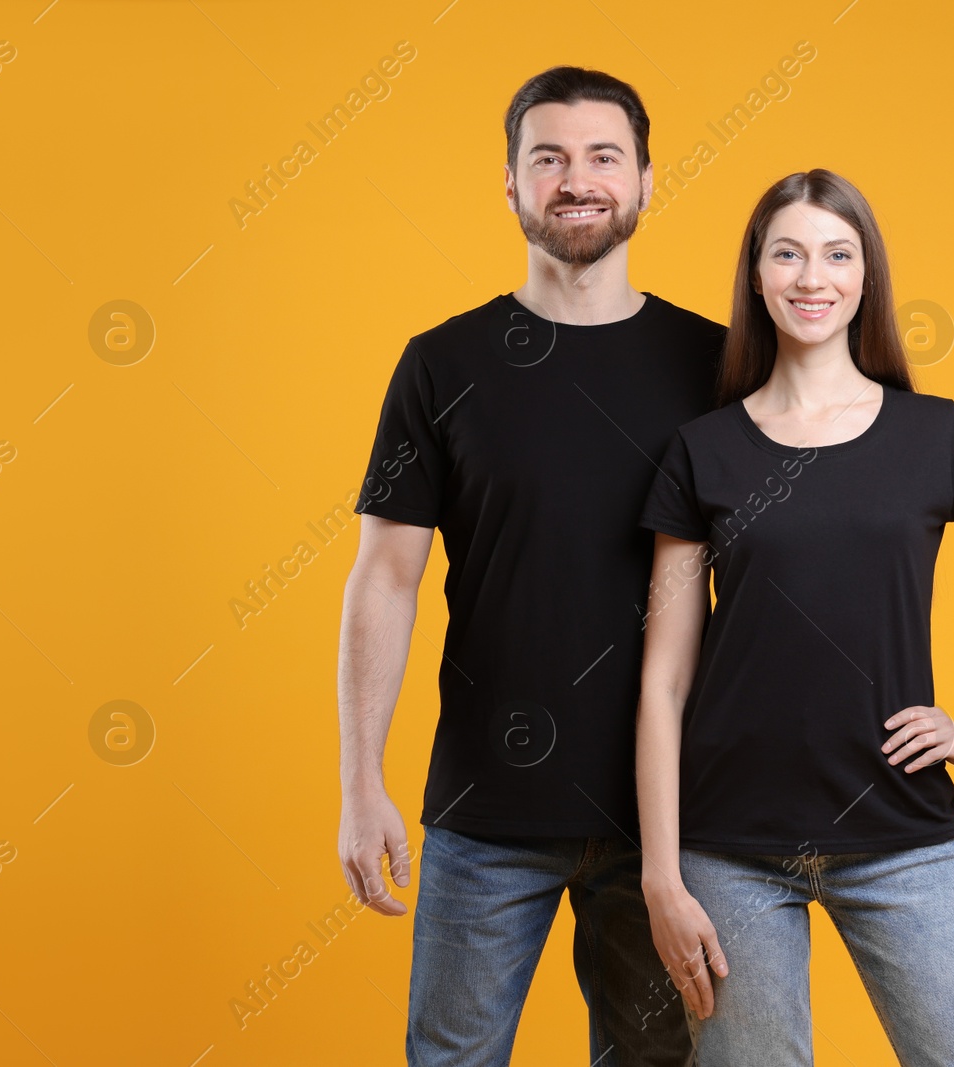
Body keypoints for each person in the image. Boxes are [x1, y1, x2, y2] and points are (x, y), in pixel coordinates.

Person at [633, 169, 954, 1066]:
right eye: (790, 254)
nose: (813, 277)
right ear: (759, 276)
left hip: (899, 834)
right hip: (729, 846)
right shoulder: (704, 450)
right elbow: (664, 679)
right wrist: (662, 872)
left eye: (837, 254)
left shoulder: (938, 434)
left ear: (865, 277)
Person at [337, 66, 724, 1066]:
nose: (577, 178)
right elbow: (385, 576)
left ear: (646, 180)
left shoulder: (720, 366)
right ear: (509, 185)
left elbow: (802, 562)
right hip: (485, 808)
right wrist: (359, 779)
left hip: (670, 819)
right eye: (547, 157)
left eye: (604, 156)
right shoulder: (442, 363)